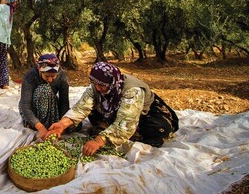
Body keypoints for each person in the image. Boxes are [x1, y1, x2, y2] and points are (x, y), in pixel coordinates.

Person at [46, 61, 179, 156]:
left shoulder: (132, 90)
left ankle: (117, 133)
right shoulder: (96, 87)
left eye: (102, 85)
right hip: (116, 111)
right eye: (95, 84)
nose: (98, 88)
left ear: (112, 82)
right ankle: (113, 131)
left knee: (158, 130)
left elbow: (126, 122)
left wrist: (99, 141)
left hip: (146, 113)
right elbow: (81, 108)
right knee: (92, 111)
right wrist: (61, 125)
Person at [19, 53, 71, 140]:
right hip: (33, 108)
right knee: (44, 90)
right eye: (47, 76)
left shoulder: (62, 76)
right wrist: (40, 127)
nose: (50, 80)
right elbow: (25, 105)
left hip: (51, 105)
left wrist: (62, 125)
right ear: (40, 70)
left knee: (75, 124)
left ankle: (51, 124)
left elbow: (64, 102)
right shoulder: (30, 76)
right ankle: (35, 123)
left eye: (53, 76)